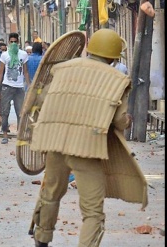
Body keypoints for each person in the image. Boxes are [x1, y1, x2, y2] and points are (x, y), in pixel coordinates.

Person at [30, 29, 147, 247]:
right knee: (93, 211)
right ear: (112, 57)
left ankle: (42, 237)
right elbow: (119, 120)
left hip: (55, 143)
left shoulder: (62, 69)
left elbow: (43, 98)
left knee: (51, 193)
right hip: (86, 148)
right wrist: (128, 121)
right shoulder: (117, 80)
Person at [0, 32, 30, 144]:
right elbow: (0, 73)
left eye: (15, 41)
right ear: (9, 42)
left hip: (19, 88)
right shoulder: (4, 55)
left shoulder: (23, 54)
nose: (13, 43)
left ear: (18, 42)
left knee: (20, 112)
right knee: (5, 112)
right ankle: (5, 135)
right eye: (11, 42)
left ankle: (19, 135)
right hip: (6, 87)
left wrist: (29, 86)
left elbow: (25, 72)